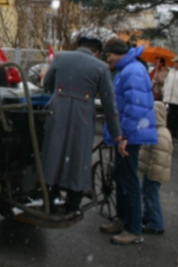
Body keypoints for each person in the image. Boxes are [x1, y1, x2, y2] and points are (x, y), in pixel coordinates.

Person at [41, 36, 125, 215]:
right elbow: (109, 103)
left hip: (57, 112)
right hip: (83, 116)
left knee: (54, 152)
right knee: (78, 156)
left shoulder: (61, 57)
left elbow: (47, 83)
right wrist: (116, 132)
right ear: (96, 52)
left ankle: (50, 197)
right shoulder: (101, 67)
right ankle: (73, 202)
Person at [101, 37, 157, 245]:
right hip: (125, 134)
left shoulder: (132, 71)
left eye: (110, 55)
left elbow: (136, 108)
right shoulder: (126, 70)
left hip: (128, 136)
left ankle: (133, 229)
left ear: (119, 53)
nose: (109, 60)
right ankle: (122, 220)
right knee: (121, 176)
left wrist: (125, 137)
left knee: (129, 180)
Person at [138, 101, 172, 235]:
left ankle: (156, 223)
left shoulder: (160, 134)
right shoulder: (157, 131)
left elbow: (159, 159)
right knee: (148, 194)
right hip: (151, 171)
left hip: (154, 173)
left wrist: (152, 173)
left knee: (151, 196)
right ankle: (149, 217)